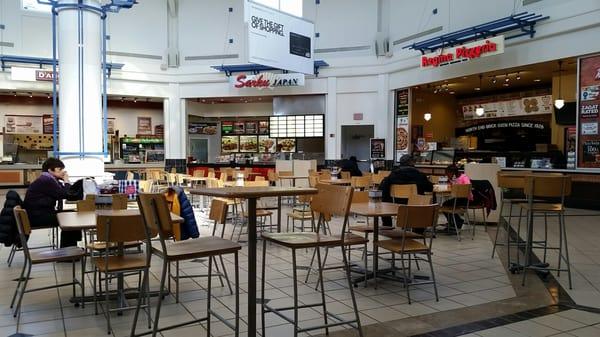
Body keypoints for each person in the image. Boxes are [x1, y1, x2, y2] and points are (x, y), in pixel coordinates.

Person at [23, 158, 81, 247]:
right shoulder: (46, 180)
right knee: (70, 218)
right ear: (50, 170)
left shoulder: (49, 179)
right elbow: (65, 194)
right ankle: (68, 253)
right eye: (60, 169)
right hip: (37, 217)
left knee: (71, 214)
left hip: (37, 214)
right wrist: (66, 180)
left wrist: (64, 182)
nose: (63, 172)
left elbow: (66, 192)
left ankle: (72, 249)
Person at [379, 154, 433, 227]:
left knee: (385, 199)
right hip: (416, 204)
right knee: (427, 199)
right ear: (412, 163)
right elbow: (429, 188)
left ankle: (387, 225)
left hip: (395, 203)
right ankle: (419, 228)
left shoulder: (393, 175)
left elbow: (381, 188)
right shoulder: (419, 175)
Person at [441, 164, 473, 230]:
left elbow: (468, 187)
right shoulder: (454, 178)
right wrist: (450, 181)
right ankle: (455, 222)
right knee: (446, 205)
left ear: (452, 173)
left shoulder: (464, 177)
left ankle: (456, 223)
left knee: (445, 205)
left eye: (447, 174)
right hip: (458, 199)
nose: (447, 175)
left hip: (465, 199)